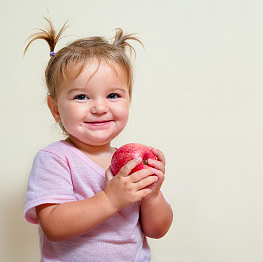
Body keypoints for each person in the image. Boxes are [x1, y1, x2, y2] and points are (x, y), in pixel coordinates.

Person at [23, 18, 173, 262]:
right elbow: (53, 226)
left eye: (113, 95)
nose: (100, 107)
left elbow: (157, 230)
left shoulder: (131, 164)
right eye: (82, 97)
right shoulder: (55, 159)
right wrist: (111, 199)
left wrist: (153, 195)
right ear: (56, 109)